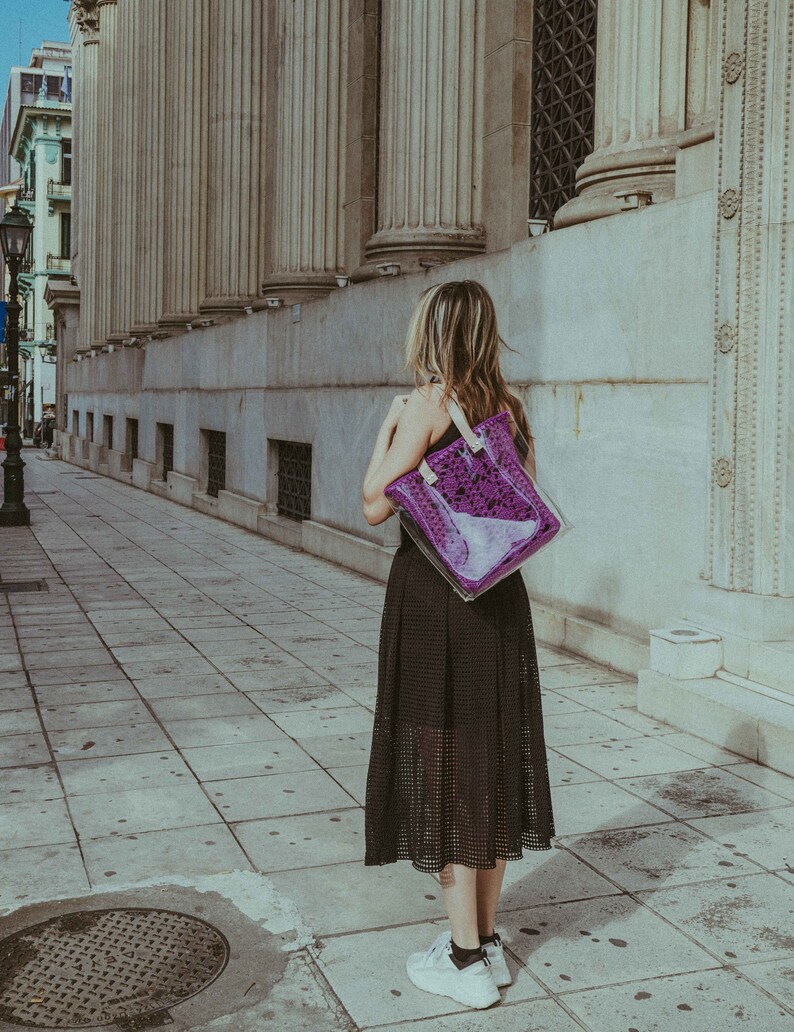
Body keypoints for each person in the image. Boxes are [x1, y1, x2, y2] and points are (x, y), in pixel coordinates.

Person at [361, 280, 555, 1011]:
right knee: (492, 767)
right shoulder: (513, 410)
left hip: (433, 607)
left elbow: (375, 504)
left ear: (432, 335)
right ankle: (487, 942)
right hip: (499, 606)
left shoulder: (425, 406)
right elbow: (524, 515)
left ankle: (466, 958)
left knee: (440, 773)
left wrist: (387, 435)